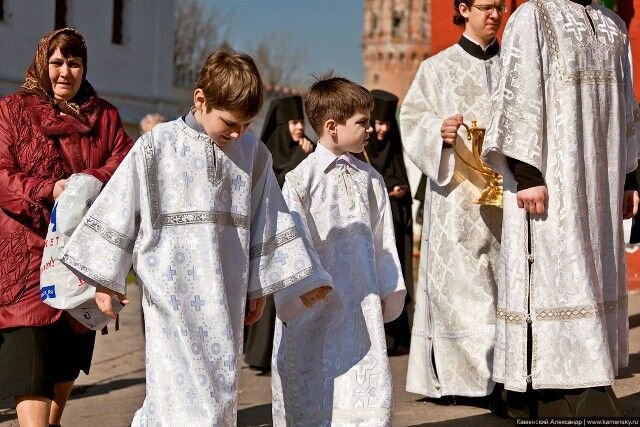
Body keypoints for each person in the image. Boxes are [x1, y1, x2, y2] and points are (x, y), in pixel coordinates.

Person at [59, 49, 332, 426]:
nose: (237, 133)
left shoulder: (253, 153)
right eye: (230, 123)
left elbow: (268, 220)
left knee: (219, 392)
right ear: (200, 100)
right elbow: (121, 208)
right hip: (169, 292)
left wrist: (260, 287)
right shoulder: (157, 147)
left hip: (227, 294)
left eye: (247, 125)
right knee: (174, 392)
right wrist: (105, 281)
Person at [482, 0, 639, 416]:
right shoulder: (534, 15)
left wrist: (630, 177)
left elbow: (628, 107)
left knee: (594, 273)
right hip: (551, 180)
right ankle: (550, 394)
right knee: (553, 277)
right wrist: (527, 173)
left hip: (600, 185)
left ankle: (587, 381)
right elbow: (516, 94)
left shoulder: (613, 26)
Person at [0, 28, 133, 427]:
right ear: (44, 64)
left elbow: (126, 167)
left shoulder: (104, 116)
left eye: (74, 63)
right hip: (25, 263)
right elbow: (1, 174)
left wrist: (85, 184)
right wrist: (47, 189)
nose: (65, 72)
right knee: (31, 373)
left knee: (59, 388)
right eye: (57, 62)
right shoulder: (12, 110)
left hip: (81, 265)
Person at [271, 75, 407, 426]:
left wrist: (386, 289)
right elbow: (292, 240)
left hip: (362, 304)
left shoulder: (370, 179)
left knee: (367, 393)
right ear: (332, 127)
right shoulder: (300, 180)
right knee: (317, 391)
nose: (370, 129)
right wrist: (306, 287)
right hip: (317, 304)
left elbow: (383, 242)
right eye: (362, 122)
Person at [399, 0, 503, 399]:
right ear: (462, 9)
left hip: (507, 195)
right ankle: (469, 381)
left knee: (503, 287)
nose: (494, 14)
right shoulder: (437, 68)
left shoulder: (515, 65)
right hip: (456, 197)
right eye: (485, 6)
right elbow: (411, 119)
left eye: (500, 7)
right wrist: (437, 132)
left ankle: (504, 374)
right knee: (461, 290)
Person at [244, 95, 314, 373]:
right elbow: (277, 185)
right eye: (293, 122)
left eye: (301, 122)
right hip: (270, 231)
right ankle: (261, 354)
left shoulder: (309, 147)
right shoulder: (266, 152)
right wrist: (300, 156)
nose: (298, 128)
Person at [354, 89, 413, 355]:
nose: (382, 129)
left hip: (396, 232)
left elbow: (401, 177)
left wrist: (400, 192)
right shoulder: (359, 155)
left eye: (387, 124)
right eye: (378, 123)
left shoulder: (393, 151)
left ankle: (397, 338)